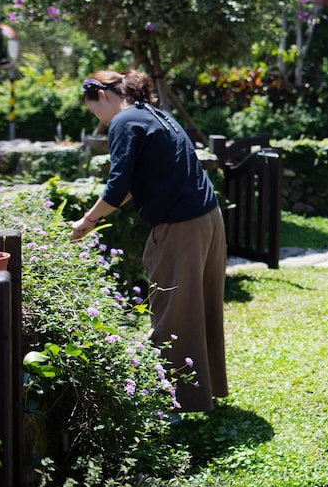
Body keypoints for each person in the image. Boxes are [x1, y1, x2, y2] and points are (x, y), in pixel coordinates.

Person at [71, 70, 227, 414]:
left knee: (172, 314)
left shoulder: (124, 121)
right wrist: (94, 217)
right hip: (208, 217)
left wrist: (87, 220)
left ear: (102, 96)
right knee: (201, 307)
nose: (100, 121)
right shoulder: (153, 114)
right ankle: (206, 391)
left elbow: (116, 186)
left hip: (181, 225)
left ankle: (173, 404)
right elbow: (130, 184)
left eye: (94, 111)